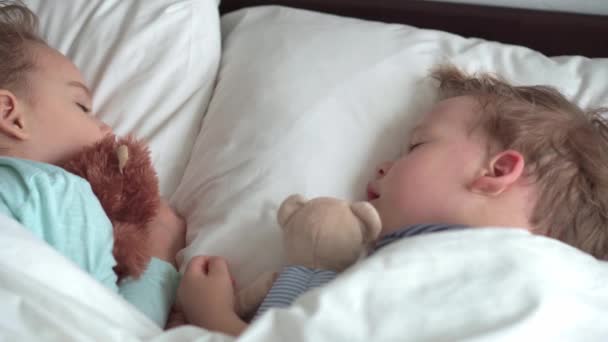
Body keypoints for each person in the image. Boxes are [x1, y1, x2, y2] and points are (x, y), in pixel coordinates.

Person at [175, 64, 608, 336]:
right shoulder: (382, 274)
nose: (382, 168)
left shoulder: (472, 270)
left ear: (495, 173)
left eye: (416, 147)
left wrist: (211, 316)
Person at [0, 1, 185, 327]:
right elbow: (105, 325)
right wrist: (161, 255)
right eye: (82, 106)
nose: (107, 129)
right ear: (9, 114)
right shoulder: (53, 188)